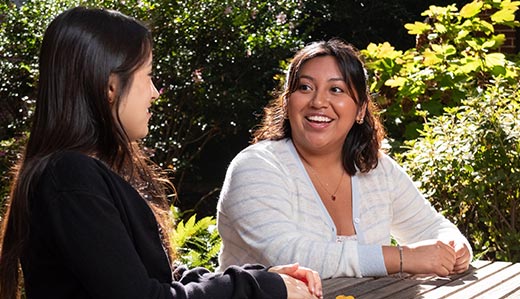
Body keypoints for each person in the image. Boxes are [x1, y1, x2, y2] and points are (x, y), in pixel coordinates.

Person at [0, 7, 323, 299]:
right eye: (149, 76)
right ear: (109, 87)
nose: (155, 93)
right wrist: (261, 287)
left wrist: (263, 277)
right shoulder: (70, 178)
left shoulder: (86, 171)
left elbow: (158, 276)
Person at [216, 39, 473, 279]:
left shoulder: (376, 169)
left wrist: (454, 247)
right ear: (287, 103)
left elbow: (431, 227)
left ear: (360, 110)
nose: (318, 101)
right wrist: (404, 258)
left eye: (336, 89)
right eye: (305, 87)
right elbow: (292, 258)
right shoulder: (256, 167)